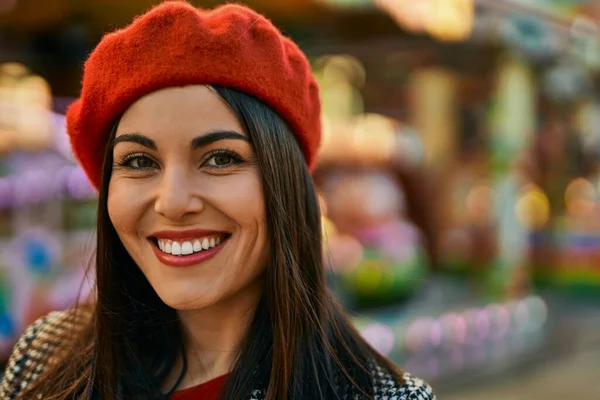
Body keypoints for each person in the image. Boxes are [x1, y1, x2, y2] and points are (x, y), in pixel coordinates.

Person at [1, 2, 436, 399]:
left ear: (284, 184)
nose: (172, 202)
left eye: (221, 158)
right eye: (137, 161)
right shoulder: (46, 360)